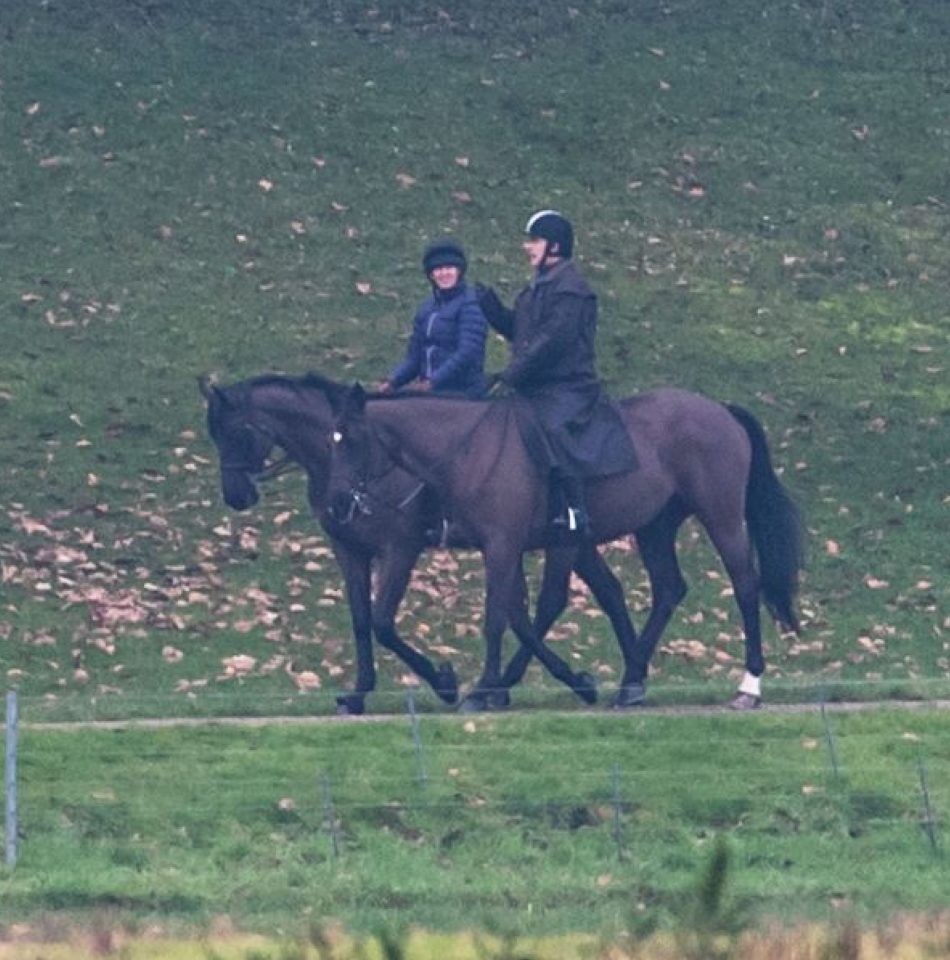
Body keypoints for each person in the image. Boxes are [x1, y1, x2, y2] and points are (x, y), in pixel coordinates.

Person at [477, 210, 637, 539]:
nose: (528, 247)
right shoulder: (537, 288)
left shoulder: (571, 291)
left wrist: (512, 374)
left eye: (534, 240)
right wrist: (492, 310)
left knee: (552, 426)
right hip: (537, 384)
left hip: (567, 386)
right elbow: (524, 335)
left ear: (555, 246)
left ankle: (575, 509)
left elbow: (552, 342)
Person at [380, 239, 487, 398]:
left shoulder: (471, 304)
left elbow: (467, 353)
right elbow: (415, 357)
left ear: (459, 271)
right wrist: (393, 381)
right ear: (431, 274)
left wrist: (433, 381)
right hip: (432, 393)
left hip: (462, 392)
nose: (444, 273)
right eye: (438, 269)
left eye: (449, 268)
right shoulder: (426, 308)